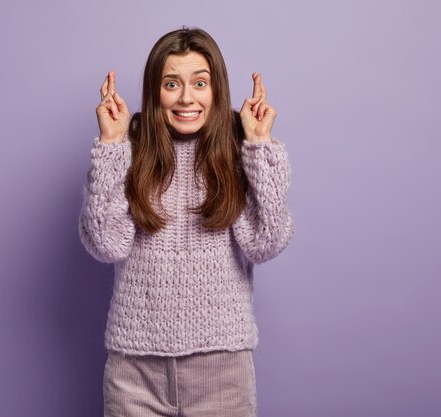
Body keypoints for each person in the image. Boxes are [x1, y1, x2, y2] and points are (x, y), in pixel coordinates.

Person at [79, 27, 294, 417]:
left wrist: (260, 148)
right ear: (154, 90)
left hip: (222, 370)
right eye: (171, 83)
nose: (186, 97)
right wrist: (110, 147)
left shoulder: (235, 148)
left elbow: (266, 242)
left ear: (217, 89)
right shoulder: (132, 145)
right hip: (135, 371)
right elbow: (105, 244)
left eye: (200, 83)